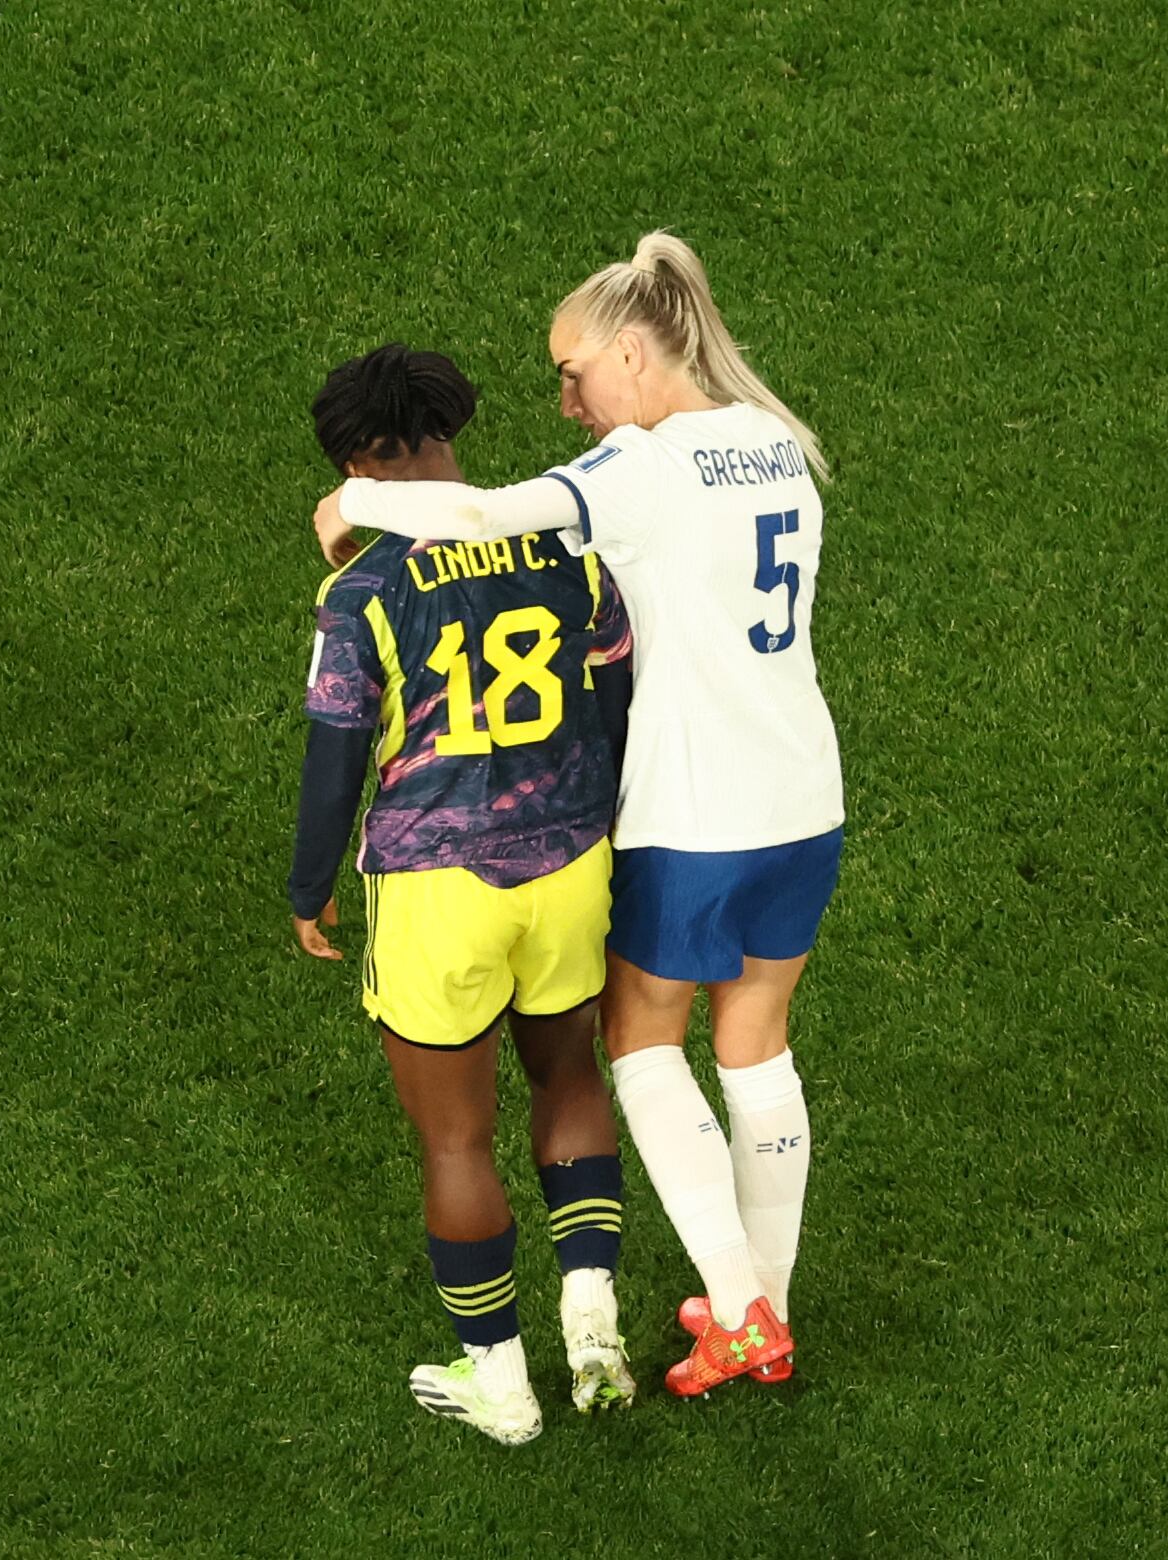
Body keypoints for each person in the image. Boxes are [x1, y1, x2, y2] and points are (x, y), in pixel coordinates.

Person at [310, 234, 841, 1398]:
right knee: (758, 1046)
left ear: (636, 352)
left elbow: (486, 514)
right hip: (806, 795)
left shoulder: (641, 468)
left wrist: (349, 501)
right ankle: (768, 1309)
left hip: (698, 809)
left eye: (574, 373)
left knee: (643, 1047)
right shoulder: (779, 443)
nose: (567, 400)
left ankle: (743, 1311)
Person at [290, 343, 640, 1445]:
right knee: (570, 1071)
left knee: (456, 1142)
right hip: (574, 864)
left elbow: (336, 751)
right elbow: (620, 696)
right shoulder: (567, 545)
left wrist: (309, 888)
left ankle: (502, 1385)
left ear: (356, 467)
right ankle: (594, 1325)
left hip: (439, 885)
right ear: (449, 431)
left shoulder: (363, 588)